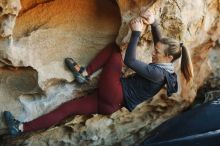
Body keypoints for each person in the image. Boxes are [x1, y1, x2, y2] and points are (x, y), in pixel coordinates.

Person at [3, 11, 193, 136]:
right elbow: (160, 42)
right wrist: (154, 23)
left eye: (157, 52)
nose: (153, 52)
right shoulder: (166, 69)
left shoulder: (157, 74)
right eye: (155, 49)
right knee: (66, 109)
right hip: (110, 106)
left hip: (115, 92)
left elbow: (130, 61)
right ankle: (20, 127)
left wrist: (136, 33)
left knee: (116, 51)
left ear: (168, 58)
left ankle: (85, 73)